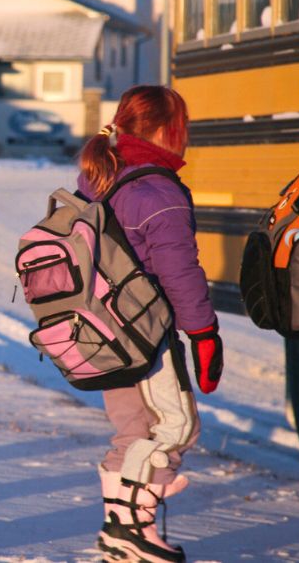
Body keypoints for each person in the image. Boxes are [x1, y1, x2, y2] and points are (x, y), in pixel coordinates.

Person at [76, 85, 223, 563]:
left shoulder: (96, 178)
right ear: (165, 130)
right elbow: (180, 273)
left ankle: (122, 531)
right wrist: (203, 334)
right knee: (173, 426)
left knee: (133, 429)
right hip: (146, 337)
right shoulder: (157, 190)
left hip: (99, 333)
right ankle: (131, 525)